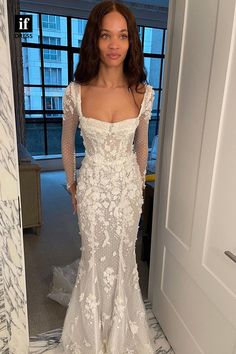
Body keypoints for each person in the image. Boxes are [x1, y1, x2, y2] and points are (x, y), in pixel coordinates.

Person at [52, 0, 155, 352]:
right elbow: (67, 142)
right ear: (94, 40)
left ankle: (123, 334)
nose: (114, 44)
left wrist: (138, 189)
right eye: (106, 35)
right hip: (94, 187)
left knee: (124, 258)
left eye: (123, 36)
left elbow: (142, 145)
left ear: (131, 42)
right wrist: (72, 186)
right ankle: (92, 338)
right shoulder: (76, 92)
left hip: (127, 189)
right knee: (95, 258)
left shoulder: (142, 92)